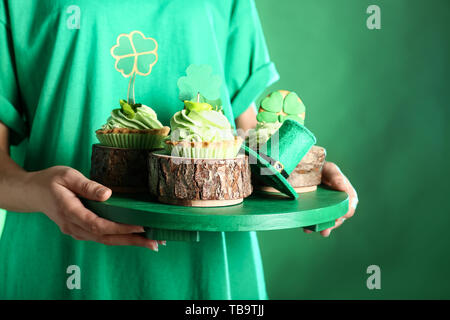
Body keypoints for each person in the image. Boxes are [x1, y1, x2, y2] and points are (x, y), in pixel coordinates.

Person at [0, 0, 357, 299]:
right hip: (59, 258)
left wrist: (293, 167)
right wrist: (38, 191)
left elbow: (240, 133)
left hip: (207, 268)